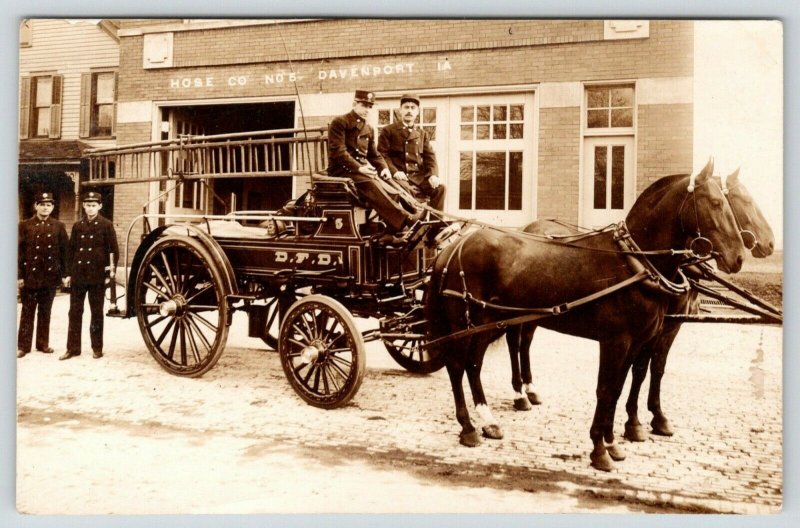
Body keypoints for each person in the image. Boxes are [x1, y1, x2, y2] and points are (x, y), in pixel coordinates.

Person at [327, 90, 423, 234]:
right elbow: (338, 151)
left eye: (370, 107)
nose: (367, 110)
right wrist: (360, 168)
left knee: (392, 184)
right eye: (364, 105)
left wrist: (383, 168)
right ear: (354, 104)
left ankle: (406, 221)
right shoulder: (340, 122)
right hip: (341, 170)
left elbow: (374, 154)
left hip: (361, 171)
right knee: (371, 183)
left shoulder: (369, 128)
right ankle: (405, 220)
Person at [61, 191, 119, 360]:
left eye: (94, 205)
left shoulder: (106, 225)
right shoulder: (78, 225)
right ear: (84, 206)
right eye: (88, 205)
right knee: (74, 312)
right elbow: (71, 251)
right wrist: (68, 274)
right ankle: (72, 349)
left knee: (96, 312)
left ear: (100, 206)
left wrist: (110, 273)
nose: (90, 208)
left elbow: (113, 251)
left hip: (97, 276)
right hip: (79, 276)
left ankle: (97, 348)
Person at [17, 192, 69, 358]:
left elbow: (65, 252)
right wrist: (19, 276)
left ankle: (42, 344)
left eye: (49, 205)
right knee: (27, 311)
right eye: (42, 204)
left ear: (52, 207)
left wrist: (65, 274)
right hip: (30, 277)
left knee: (45, 312)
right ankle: (23, 347)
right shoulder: (24, 225)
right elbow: (18, 253)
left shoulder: (58, 226)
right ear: (36, 206)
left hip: (49, 277)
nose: (45, 207)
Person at [378, 93, 445, 211]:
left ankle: (436, 224)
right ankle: (413, 223)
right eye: (406, 107)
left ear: (418, 111)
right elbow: (382, 154)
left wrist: (433, 174)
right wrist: (394, 171)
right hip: (399, 177)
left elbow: (430, 156)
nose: (409, 111)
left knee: (440, 188)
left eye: (413, 108)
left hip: (418, 177)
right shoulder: (388, 131)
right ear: (400, 110)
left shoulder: (422, 133)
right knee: (407, 193)